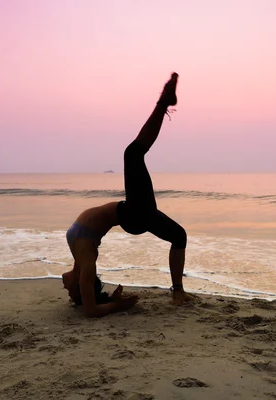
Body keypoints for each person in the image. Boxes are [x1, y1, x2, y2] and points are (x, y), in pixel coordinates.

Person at [62, 72, 196, 317]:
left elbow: (85, 295)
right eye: (71, 293)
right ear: (83, 286)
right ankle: (164, 103)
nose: (65, 288)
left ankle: (178, 292)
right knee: (133, 154)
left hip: (134, 214)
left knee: (179, 236)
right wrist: (119, 305)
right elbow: (90, 311)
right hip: (132, 215)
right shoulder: (86, 265)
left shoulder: (80, 262)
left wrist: (106, 298)